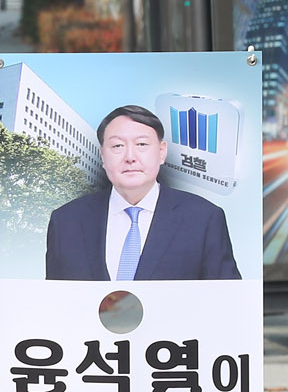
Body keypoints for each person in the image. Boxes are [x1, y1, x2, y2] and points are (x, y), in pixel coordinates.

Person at [44, 104, 241, 281]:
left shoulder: (203, 218)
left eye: (142, 144)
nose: (130, 157)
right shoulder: (66, 221)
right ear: (103, 155)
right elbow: (54, 304)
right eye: (117, 146)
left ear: (162, 152)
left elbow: (228, 301)